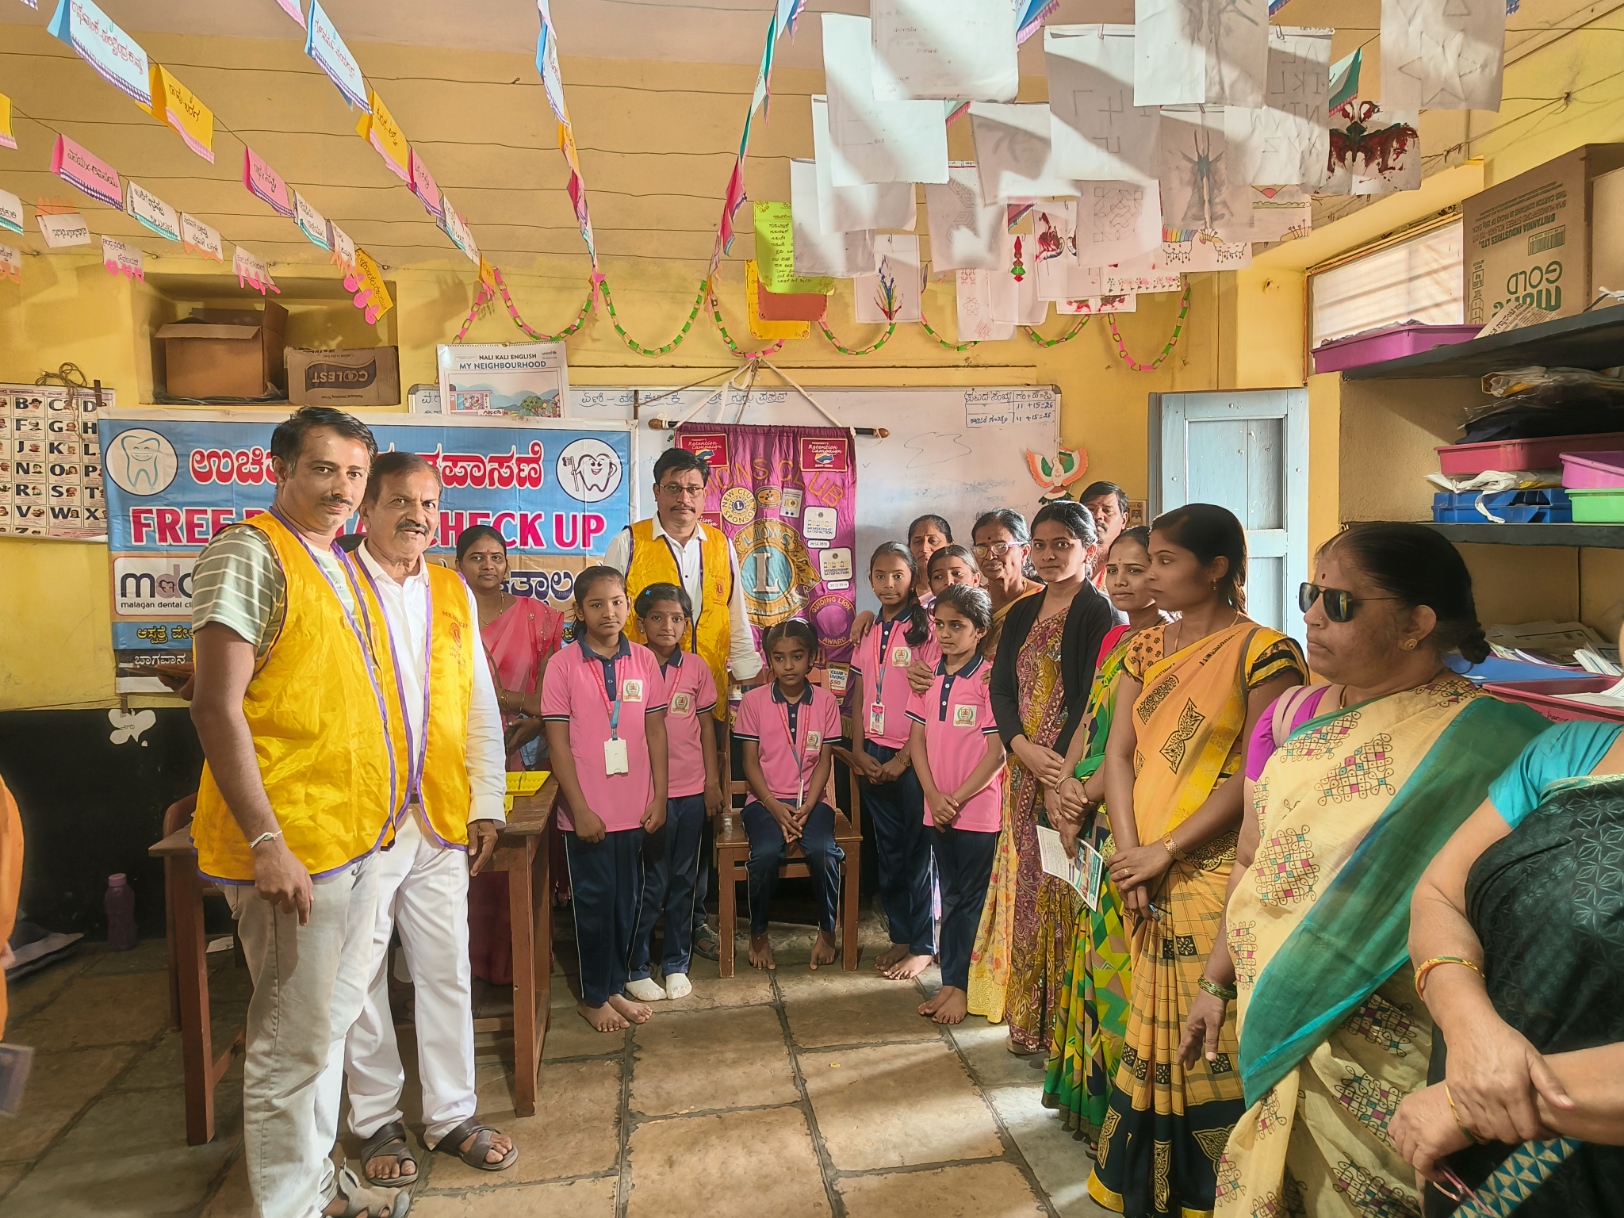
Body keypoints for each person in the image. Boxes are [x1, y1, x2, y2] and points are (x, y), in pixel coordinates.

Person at [1174, 524, 1548, 1218]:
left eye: (1340, 603)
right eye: (1310, 594)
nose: (1313, 615)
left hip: (1396, 1042)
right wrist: (1215, 983)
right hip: (1280, 1013)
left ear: (1416, 625)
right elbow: (1252, 860)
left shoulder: (1498, 745)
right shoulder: (1292, 718)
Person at [188, 406, 410, 1218]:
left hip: (357, 839)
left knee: (325, 1031)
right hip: (294, 850)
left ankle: (316, 1186)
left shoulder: (337, 562)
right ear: (280, 469)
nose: (341, 488)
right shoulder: (250, 552)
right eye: (323, 468)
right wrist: (266, 841)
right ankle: (289, 1207)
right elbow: (215, 705)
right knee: (290, 1046)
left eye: (354, 473)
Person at [1088, 504, 1306, 1218]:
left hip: (1214, 868)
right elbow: (1120, 754)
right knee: (1147, 1021)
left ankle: (1224, 1189)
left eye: (1164, 561)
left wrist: (1167, 850)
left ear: (1216, 569)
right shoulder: (1143, 649)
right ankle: (1150, 1180)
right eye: (1146, 559)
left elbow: (1258, 775)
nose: (1149, 575)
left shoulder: (1265, 654)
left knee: (1212, 1033)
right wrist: (1131, 854)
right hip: (1143, 860)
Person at [343, 454, 516, 1184]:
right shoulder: (337, 580)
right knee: (361, 977)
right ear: (366, 510)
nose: (417, 516)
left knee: (446, 969)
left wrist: (486, 801)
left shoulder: (450, 589)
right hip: (358, 819)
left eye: (429, 503)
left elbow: (479, 702)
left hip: (440, 814)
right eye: (400, 502)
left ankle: (450, 1114)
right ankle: (376, 1119)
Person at [1390, 675, 1624, 1215]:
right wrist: (1472, 1030)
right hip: (1464, 1148)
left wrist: (1473, 1104)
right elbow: (1439, 895)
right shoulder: (1570, 752)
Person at [967, 501, 1121, 1048]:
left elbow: (1091, 699)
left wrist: (1055, 766)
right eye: (1041, 544)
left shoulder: (1097, 613)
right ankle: (1029, 1019)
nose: (1050, 555)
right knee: (1027, 887)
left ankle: (1061, 1027)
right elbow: (1001, 689)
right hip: (1024, 767)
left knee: (1061, 890)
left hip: (1066, 772)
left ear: (1089, 549)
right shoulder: (1023, 611)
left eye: (1063, 544)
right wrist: (1019, 747)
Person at [605, 447, 763, 962]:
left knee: (698, 819)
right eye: (673, 487)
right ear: (656, 492)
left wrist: (751, 685)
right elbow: (606, 616)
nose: (684, 498)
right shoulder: (629, 542)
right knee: (645, 816)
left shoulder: (720, 544)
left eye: (693, 488)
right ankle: (640, 925)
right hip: (639, 707)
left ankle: (692, 922)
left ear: (704, 494)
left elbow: (736, 618)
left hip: (703, 701)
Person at [1043, 526, 1167, 1146]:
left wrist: (1086, 793)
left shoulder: (1170, 647)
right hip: (1084, 802)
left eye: (1137, 569)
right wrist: (1063, 786)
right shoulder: (1116, 638)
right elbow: (1087, 716)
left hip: (1125, 811)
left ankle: (1120, 1113)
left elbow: (1140, 746)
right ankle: (1087, 1099)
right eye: (1114, 569)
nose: (1120, 580)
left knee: (1120, 958)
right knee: (1090, 951)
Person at [540, 567, 670, 1032]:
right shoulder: (563, 665)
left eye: (616, 602)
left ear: (627, 605)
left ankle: (615, 987)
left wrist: (660, 796)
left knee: (627, 903)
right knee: (594, 906)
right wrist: (578, 809)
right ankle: (593, 997)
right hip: (589, 813)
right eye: (596, 604)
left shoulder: (645, 661)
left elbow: (656, 732)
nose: (608, 612)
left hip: (636, 809)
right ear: (579, 611)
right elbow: (557, 744)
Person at [456, 524, 566, 989]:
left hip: (529, 754)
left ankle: (524, 959)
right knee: (471, 861)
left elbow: (551, 696)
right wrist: (506, 704)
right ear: (458, 565)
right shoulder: (447, 617)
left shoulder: (538, 618)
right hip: (461, 757)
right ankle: (470, 965)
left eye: (496, 557)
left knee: (522, 860)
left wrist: (530, 721)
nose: (488, 565)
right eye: (476, 557)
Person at [907, 585, 1005, 1026]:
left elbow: (997, 754)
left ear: (980, 631)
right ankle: (949, 982)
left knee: (970, 900)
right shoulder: (927, 677)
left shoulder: (988, 680)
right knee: (948, 895)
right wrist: (932, 795)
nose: (945, 634)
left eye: (957, 626)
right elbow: (917, 741)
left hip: (977, 810)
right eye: (940, 625)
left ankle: (963, 987)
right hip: (937, 807)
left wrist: (956, 798)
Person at [625, 583, 724, 1003]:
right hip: (647, 792)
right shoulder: (631, 663)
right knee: (651, 881)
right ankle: (635, 963)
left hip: (691, 791)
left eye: (677, 618)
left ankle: (676, 962)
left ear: (687, 624)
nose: (667, 626)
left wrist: (712, 783)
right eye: (657, 617)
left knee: (685, 879)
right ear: (641, 623)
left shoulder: (697, 667)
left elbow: (706, 729)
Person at [849, 543, 940, 982]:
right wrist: (859, 749)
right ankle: (901, 936)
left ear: (913, 579)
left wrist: (904, 759)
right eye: (880, 576)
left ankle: (923, 944)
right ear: (869, 579)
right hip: (873, 752)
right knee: (888, 851)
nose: (889, 584)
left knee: (918, 852)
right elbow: (859, 693)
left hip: (914, 754)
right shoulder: (867, 629)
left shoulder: (927, 629)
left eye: (898, 575)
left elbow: (932, 699)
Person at [733, 619, 845, 972]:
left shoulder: (826, 701)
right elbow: (749, 763)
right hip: (764, 802)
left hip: (813, 802)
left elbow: (824, 761)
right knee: (765, 854)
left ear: (812, 657)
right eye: (779, 658)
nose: (789, 665)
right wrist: (773, 806)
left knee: (825, 853)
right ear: (769, 660)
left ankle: (827, 931)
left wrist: (809, 805)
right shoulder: (753, 701)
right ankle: (758, 934)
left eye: (797, 656)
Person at [972, 509, 1044, 660]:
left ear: (1024, 552)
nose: (990, 556)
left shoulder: (1042, 600)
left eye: (1001, 547)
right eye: (981, 549)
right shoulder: (972, 602)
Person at [1079, 482, 1129, 589]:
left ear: (1124, 520)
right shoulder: (1065, 556)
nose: (1097, 516)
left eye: (1107, 510)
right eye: (1090, 509)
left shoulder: (1132, 561)